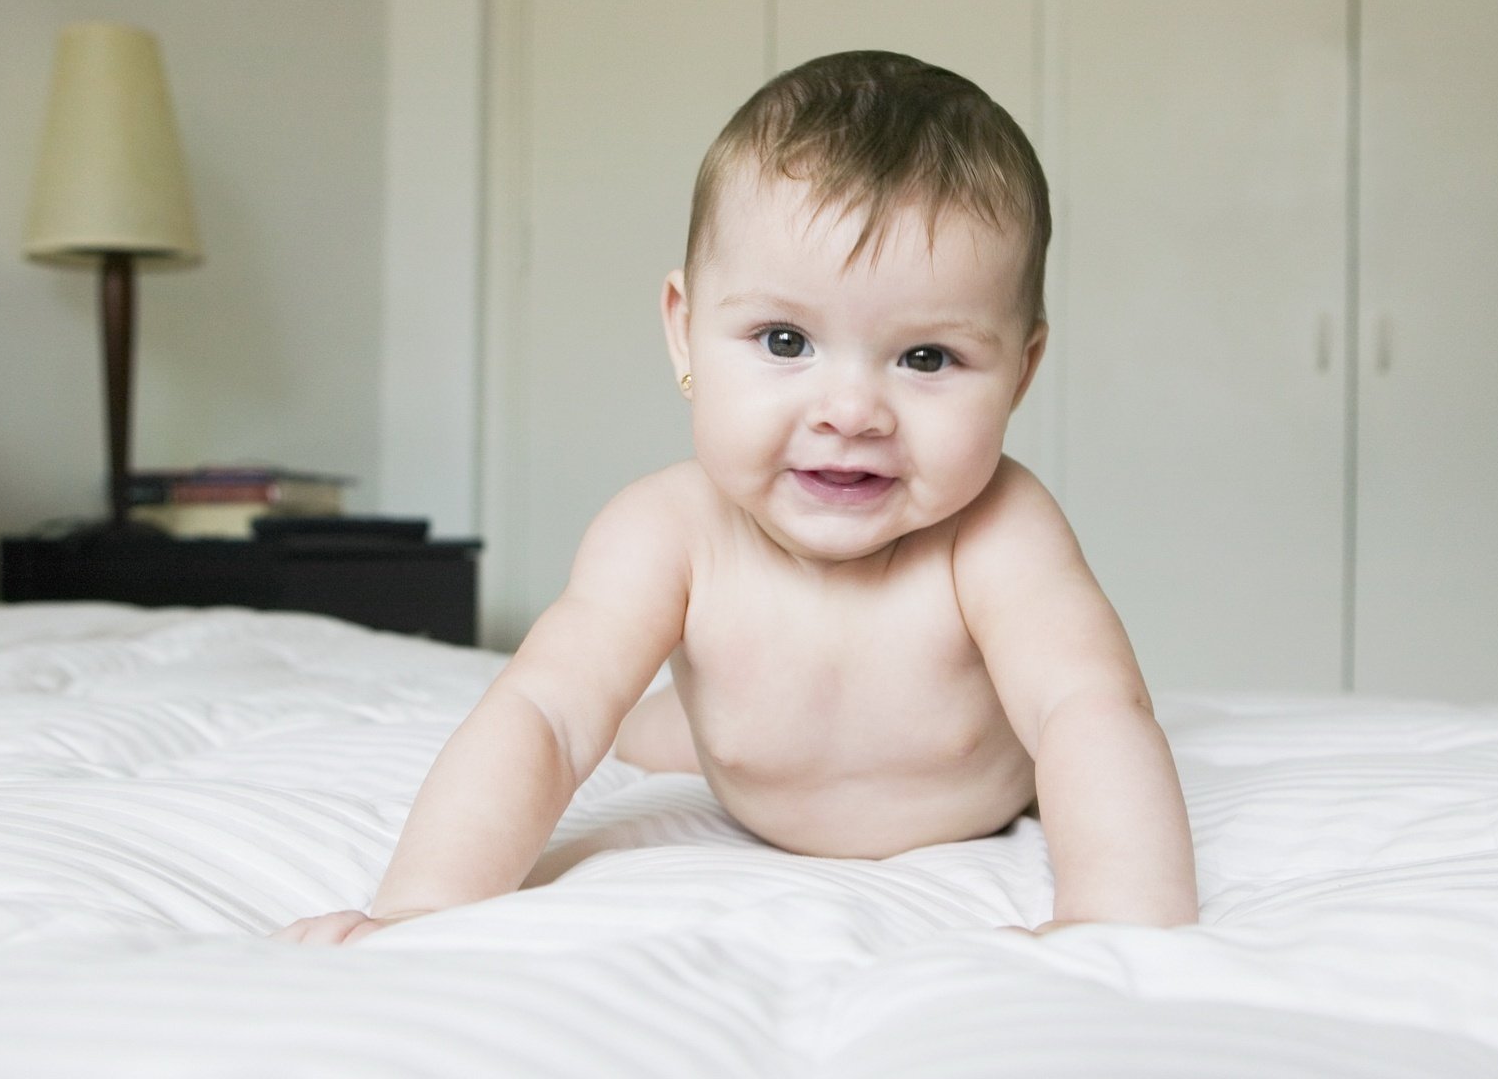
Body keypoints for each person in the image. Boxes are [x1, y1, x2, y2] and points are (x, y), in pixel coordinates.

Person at [277, 50, 1196, 945]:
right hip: (748, 763)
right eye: (785, 340)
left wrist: (1115, 918)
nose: (850, 413)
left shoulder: (999, 531)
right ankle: (679, 726)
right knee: (641, 724)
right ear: (685, 334)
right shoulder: (666, 532)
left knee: (1062, 731)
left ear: (1020, 372)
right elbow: (546, 716)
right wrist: (424, 904)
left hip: (979, 794)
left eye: (928, 357)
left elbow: (1088, 711)